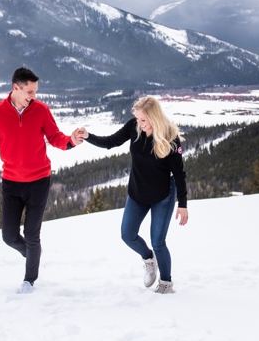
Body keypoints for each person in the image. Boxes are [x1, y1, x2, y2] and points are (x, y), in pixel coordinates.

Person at [0, 67, 85, 294]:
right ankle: (32, 253)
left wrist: (70, 141)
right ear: (15, 88)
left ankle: (29, 280)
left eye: (36, 91)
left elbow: (54, 137)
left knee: (32, 235)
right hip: (11, 183)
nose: (34, 96)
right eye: (30, 92)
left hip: (39, 181)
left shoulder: (40, 110)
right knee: (9, 236)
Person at [79, 95, 188, 294]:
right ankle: (148, 259)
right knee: (127, 235)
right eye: (137, 119)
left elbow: (179, 173)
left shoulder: (170, 137)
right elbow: (111, 142)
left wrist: (183, 203)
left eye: (143, 120)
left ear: (154, 117)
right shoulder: (134, 127)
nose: (139, 123)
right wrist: (88, 136)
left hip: (163, 195)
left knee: (158, 242)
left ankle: (166, 284)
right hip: (138, 192)